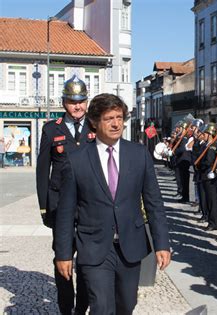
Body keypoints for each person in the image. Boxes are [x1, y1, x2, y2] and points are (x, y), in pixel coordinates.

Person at [54, 93, 171, 315]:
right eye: (109, 118)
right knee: (101, 306)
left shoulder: (139, 155)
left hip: (130, 244)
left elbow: (154, 202)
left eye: (119, 117)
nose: (116, 123)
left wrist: (162, 243)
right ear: (95, 122)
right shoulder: (77, 160)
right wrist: (64, 253)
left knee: (126, 305)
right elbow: (66, 213)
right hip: (93, 246)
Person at [35, 75, 91, 315]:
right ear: (63, 102)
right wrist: (45, 208)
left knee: (89, 261)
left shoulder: (96, 127)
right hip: (60, 208)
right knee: (63, 260)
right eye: (71, 101)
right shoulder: (51, 129)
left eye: (81, 101)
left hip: (90, 207)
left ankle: (82, 308)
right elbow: (41, 172)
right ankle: (66, 308)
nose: (77, 106)